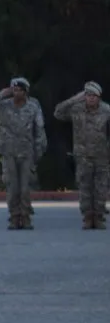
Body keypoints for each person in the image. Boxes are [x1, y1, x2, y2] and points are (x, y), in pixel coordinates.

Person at [0, 78, 47, 229]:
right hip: (8, 151)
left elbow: (39, 130)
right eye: (14, 90)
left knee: (25, 188)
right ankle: (14, 217)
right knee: (12, 187)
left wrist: (39, 151)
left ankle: (26, 217)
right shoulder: (3, 106)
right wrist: (0, 94)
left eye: (19, 90)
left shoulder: (33, 106)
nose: (16, 93)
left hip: (26, 152)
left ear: (25, 92)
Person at [54, 81, 110, 230]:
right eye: (88, 95)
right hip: (83, 156)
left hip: (101, 156)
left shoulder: (106, 110)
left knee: (101, 188)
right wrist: (75, 98)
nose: (91, 98)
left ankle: (98, 217)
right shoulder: (77, 109)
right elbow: (58, 112)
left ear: (99, 97)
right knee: (85, 188)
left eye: (94, 96)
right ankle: (87, 217)